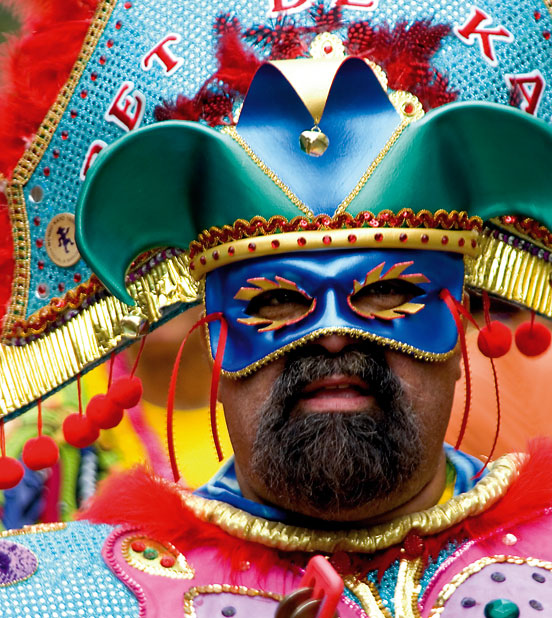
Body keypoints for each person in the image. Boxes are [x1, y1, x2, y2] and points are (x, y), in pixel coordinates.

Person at [2, 1, 552, 617]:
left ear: (459, 329)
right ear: (214, 341)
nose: (336, 336)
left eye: (387, 293)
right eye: (277, 302)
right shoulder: (69, 596)